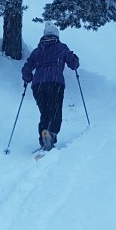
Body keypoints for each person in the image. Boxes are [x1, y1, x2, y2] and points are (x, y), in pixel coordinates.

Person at [21, 21, 80, 151]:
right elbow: (73, 64)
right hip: (55, 83)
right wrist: (75, 59)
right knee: (55, 110)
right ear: (57, 35)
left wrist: (27, 78)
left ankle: (44, 136)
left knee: (45, 112)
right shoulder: (61, 48)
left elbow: (27, 68)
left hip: (38, 85)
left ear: (44, 35)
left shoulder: (37, 51)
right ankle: (51, 134)